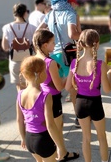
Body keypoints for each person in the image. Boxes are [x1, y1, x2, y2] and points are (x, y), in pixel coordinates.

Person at [16, 56, 79, 162]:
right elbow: (50, 125)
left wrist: (23, 138)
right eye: (45, 70)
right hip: (43, 139)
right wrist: (60, 146)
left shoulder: (20, 94)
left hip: (29, 139)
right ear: (39, 74)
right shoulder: (45, 96)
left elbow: (19, 120)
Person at [65, 29, 111, 162]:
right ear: (96, 44)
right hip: (95, 103)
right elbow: (107, 89)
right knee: (101, 137)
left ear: (81, 43)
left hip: (80, 103)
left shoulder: (74, 63)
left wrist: (78, 85)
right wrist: (110, 74)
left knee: (86, 138)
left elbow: (67, 87)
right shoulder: (100, 65)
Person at [37, 0, 81, 127]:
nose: (74, 6)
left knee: (53, 87)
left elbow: (38, 31)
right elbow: (72, 34)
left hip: (51, 55)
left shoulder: (50, 13)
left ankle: (52, 116)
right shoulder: (70, 14)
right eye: (73, 3)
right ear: (70, 2)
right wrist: (85, 34)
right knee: (73, 87)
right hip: (67, 55)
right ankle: (78, 117)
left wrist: (39, 48)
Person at [33, 29, 79, 160]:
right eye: (53, 42)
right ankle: (62, 153)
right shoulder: (50, 62)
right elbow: (59, 86)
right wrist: (70, 73)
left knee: (50, 125)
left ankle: (58, 151)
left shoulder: (34, 59)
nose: (55, 44)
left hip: (40, 96)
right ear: (45, 45)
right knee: (57, 127)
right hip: (52, 97)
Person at [1, 3, 36, 91]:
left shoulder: (7, 27)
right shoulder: (32, 28)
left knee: (20, 90)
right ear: (25, 13)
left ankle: (21, 104)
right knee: (31, 86)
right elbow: (35, 46)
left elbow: (5, 47)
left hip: (14, 60)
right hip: (29, 60)